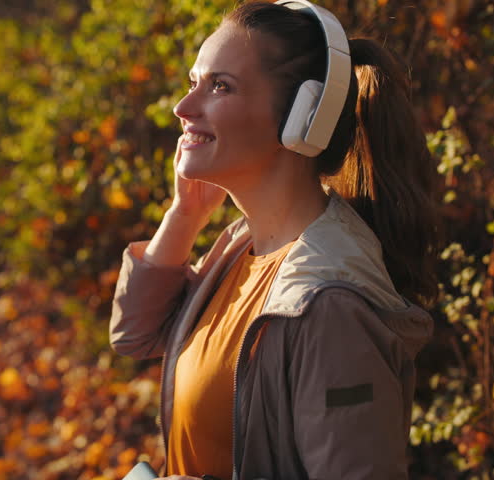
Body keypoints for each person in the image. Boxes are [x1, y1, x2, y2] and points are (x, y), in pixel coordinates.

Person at [110, 0, 440, 478]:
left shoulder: (328, 306)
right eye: (193, 83)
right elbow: (134, 335)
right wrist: (184, 214)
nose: (183, 109)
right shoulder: (243, 247)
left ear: (302, 116)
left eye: (220, 86)